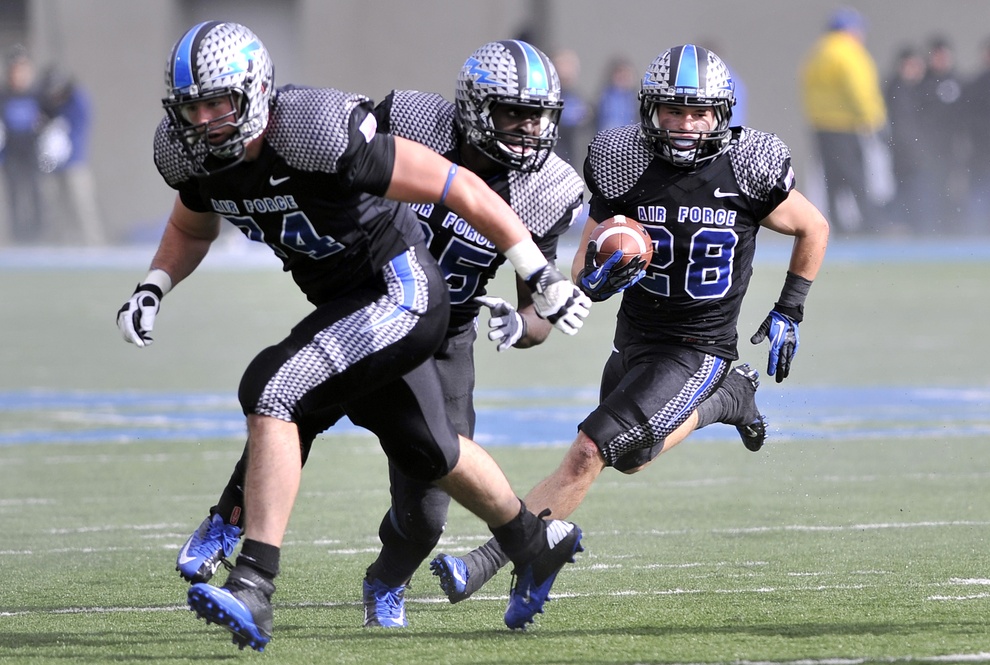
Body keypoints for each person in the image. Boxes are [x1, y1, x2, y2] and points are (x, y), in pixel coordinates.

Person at [116, 22, 592, 651]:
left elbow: (458, 186)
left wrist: (535, 275)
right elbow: (193, 222)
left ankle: (251, 577)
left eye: (220, 105)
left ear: (256, 93)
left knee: (275, 386)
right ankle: (533, 544)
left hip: (405, 296)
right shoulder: (189, 155)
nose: (204, 122)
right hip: (350, 302)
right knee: (432, 451)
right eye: (192, 108)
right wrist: (154, 283)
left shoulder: (314, 129)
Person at [429, 44, 829, 604]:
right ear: (650, 111)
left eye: (699, 112)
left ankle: (495, 560)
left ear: (722, 114)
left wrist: (791, 306)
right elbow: (583, 260)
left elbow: (814, 227)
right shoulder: (624, 159)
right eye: (673, 111)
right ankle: (728, 400)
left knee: (589, 452)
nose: (686, 125)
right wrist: (597, 278)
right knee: (633, 456)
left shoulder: (748, 164)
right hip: (637, 336)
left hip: (698, 345)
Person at [799, 6, 887, 234]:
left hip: (821, 127)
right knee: (858, 179)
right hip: (847, 127)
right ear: (851, 30)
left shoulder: (816, 53)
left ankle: (838, 225)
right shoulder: (849, 52)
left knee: (833, 180)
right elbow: (860, 90)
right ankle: (869, 226)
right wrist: (875, 120)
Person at [38, 66, 106, 245]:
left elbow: (74, 134)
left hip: (75, 162)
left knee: (82, 205)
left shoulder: (78, 101)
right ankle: (55, 243)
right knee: (53, 206)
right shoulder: (47, 104)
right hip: (52, 164)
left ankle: (93, 244)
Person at [917, 36, 966, 232]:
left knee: (953, 191)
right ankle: (928, 230)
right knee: (929, 190)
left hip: (952, 149)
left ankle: (952, 228)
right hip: (927, 150)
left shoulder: (959, 82)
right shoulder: (922, 84)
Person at [0, 45, 46, 244]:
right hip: (11, 154)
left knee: (37, 194)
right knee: (15, 197)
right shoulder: (3, 95)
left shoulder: (38, 95)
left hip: (33, 154)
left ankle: (39, 236)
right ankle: (19, 238)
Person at [883, 46, 929, 232]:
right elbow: (902, 126)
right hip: (905, 154)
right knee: (907, 190)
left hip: (912, 153)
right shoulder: (898, 90)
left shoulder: (916, 88)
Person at [962, 34, 990, 234]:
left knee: (980, 197)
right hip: (987, 153)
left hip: (984, 152)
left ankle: (975, 238)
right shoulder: (982, 82)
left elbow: (967, 118)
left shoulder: (981, 82)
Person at [551, 48, 593, 173]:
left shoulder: (579, 99)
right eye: (563, 66)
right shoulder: (549, 99)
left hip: (571, 162)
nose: (567, 72)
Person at [595, 55, 639, 132]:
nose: (623, 77)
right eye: (619, 73)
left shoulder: (636, 100)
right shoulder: (602, 98)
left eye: (626, 74)